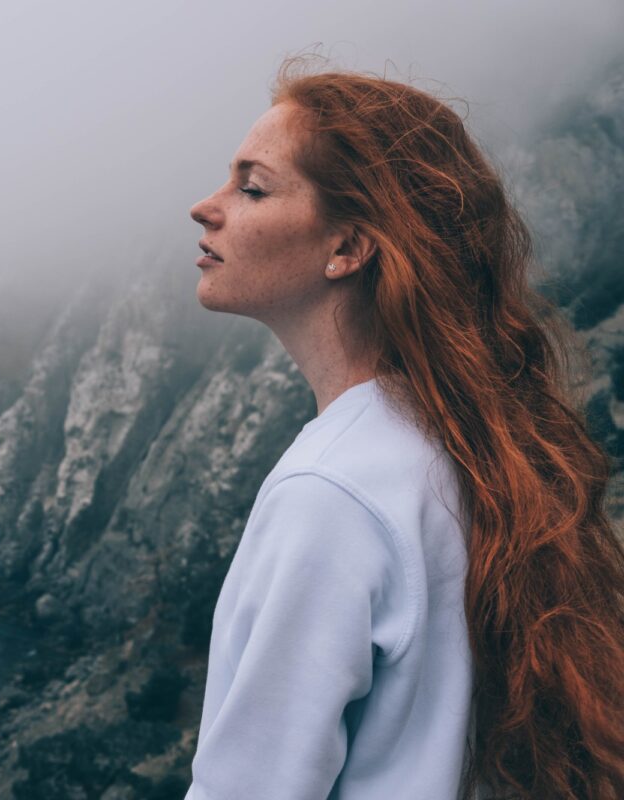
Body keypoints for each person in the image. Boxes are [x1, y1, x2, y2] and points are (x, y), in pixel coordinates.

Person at [183, 57, 624, 800]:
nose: (205, 207)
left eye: (252, 188)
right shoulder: (475, 448)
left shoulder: (330, 490)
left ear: (347, 249)